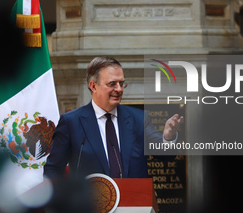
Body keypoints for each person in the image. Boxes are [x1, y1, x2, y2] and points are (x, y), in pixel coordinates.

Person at [44, 57, 183, 179]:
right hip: (90, 206)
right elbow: (53, 169)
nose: (119, 89)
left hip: (134, 204)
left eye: (121, 83)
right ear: (93, 86)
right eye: (112, 84)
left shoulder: (138, 118)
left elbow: (164, 156)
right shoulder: (71, 122)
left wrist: (168, 138)